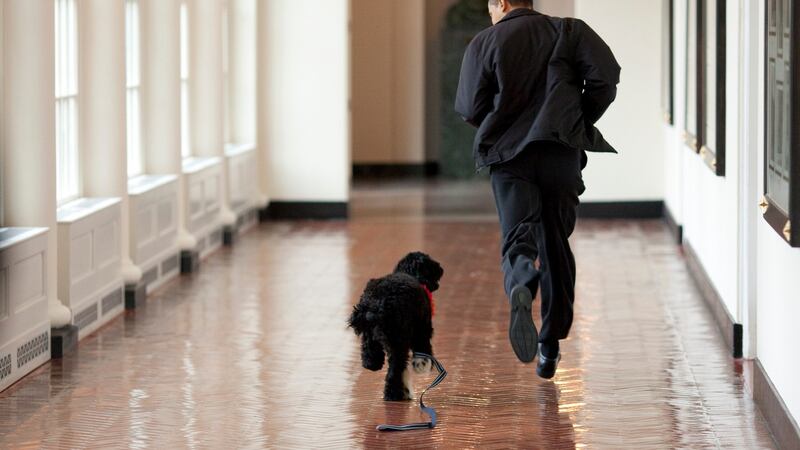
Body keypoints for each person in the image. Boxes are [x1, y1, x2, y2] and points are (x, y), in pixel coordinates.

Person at [455, 0, 620, 379]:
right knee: (556, 242)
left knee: (519, 236)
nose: (490, 14)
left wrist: (500, 123)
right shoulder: (570, 31)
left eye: (490, 7)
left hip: (510, 156)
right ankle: (550, 344)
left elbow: (469, 106)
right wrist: (575, 117)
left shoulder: (485, 41)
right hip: (560, 151)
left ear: (502, 3)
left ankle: (522, 277)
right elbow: (605, 78)